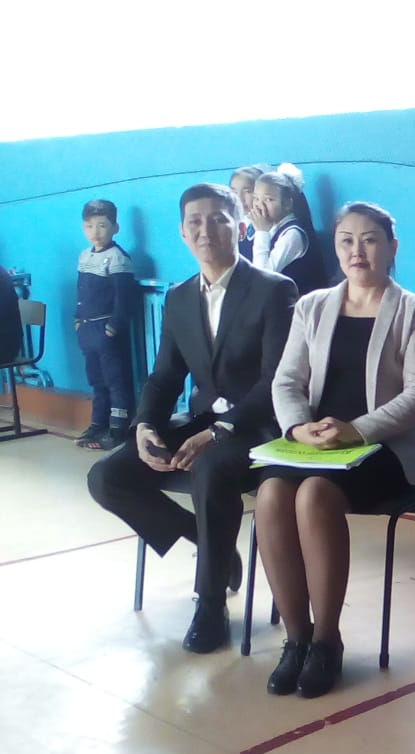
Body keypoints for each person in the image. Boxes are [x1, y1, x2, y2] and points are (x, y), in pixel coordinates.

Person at [87, 183, 297, 654]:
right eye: (195, 222)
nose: (206, 230)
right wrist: (145, 425)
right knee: (107, 477)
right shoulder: (180, 297)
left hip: (257, 425)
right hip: (203, 419)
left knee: (210, 467)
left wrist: (220, 431)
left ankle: (210, 603)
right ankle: (205, 541)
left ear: (239, 228)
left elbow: (276, 381)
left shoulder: (273, 290)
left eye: (218, 219)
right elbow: (164, 376)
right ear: (182, 233)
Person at [256, 202, 415, 698]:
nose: (357, 250)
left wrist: (356, 431)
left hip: (383, 447)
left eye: (370, 239)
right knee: (271, 494)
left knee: (314, 495)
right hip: (316, 443)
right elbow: (286, 381)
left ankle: (325, 641)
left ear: (392, 247)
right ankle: (295, 639)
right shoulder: (312, 305)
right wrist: (298, 428)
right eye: (346, 240)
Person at [73, 199, 137, 450]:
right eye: (90, 226)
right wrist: (77, 319)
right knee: (96, 379)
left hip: (106, 330)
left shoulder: (118, 258)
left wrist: (114, 325)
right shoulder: (84, 256)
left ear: (115, 228)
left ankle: (118, 428)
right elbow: (80, 291)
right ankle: (98, 423)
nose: (95, 232)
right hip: (87, 328)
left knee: (115, 379)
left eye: (102, 225)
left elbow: (124, 297)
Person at [250, 163, 327, 295]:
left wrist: (261, 233)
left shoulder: (293, 234)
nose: (259, 205)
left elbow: (261, 278)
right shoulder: (272, 227)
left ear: (287, 204)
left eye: (268, 199)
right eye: (256, 198)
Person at [230, 164, 270, 260]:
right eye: (234, 192)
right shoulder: (235, 224)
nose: (239, 198)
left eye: (247, 191)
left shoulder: (271, 226)